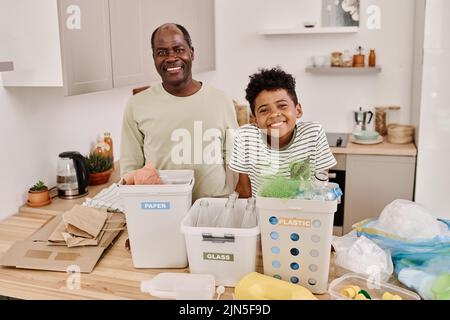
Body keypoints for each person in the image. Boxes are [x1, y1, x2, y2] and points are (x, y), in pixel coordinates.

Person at [120, 23, 238, 200]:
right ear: (153, 58)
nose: (171, 58)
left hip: (214, 207)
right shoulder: (137, 105)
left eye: (178, 49)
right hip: (163, 207)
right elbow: (130, 170)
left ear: (191, 52)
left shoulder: (222, 100)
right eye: (162, 52)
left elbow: (233, 160)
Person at [229, 67, 337, 197]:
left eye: (282, 106)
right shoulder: (246, 138)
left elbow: (321, 186)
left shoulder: (313, 134)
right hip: (262, 215)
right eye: (264, 110)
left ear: (298, 110)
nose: (274, 114)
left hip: (303, 214)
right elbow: (244, 189)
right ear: (255, 120)